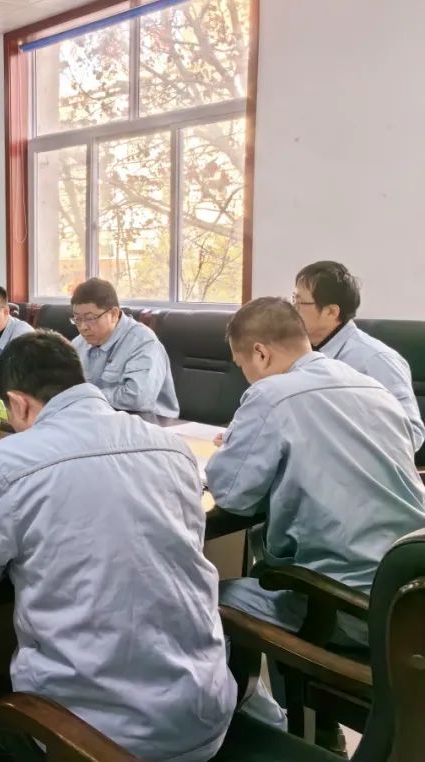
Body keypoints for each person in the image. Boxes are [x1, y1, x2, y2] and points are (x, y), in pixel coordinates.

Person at [0, 330, 234, 761]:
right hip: (204, 712)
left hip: (97, 740)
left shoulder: (12, 462)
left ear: (17, 403)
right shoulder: (174, 449)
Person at [208, 298, 425, 737]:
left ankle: (257, 732)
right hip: (411, 594)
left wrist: (233, 445)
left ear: (260, 353)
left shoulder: (270, 395)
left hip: (353, 608)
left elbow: (231, 493)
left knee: (212, 594)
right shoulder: (371, 387)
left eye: (242, 365)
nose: (245, 376)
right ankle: (318, 730)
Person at [294, 261, 424, 450]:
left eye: (300, 303)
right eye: (293, 299)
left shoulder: (376, 360)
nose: (293, 310)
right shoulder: (305, 355)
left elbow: (412, 434)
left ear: (331, 312)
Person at [69, 278, 179, 418]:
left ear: (114, 314)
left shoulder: (143, 342)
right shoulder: (78, 343)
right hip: (98, 418)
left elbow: (137, 399)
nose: (83, 327)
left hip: (147, 423)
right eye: (77, 319)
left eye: (90, 318)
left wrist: (83, 397)